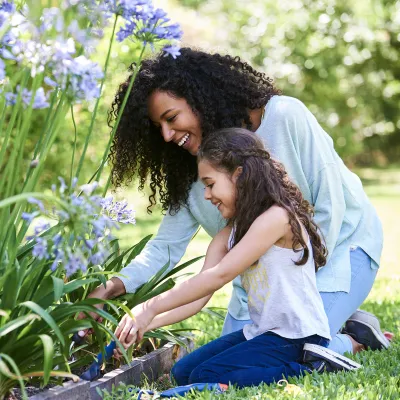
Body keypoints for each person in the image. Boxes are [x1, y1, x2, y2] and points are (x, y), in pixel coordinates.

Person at [85, 48, 388, 356]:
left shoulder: (283, 116)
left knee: (294, 350)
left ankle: (353, 339)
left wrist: (299, 294)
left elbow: (331, 206)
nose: (165, 135)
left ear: (201, 97)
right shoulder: (193, 175)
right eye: (157, 127)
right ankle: (342, 321)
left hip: (341, 252)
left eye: (171, 118)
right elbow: (164, 248)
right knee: (228, 356)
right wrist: (114, 285)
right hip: (265, 285)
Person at [113, 128, 360, 388]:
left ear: (238, 175)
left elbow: (220, 275)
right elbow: (200, 293)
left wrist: (149, 307)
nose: (207, 195)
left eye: (210, 184)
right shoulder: (230, 232)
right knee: (183, 372)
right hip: (263, 333)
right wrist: (146, 325)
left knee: (204, 376)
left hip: (298, 337)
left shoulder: (278, 218)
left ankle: (314, 367)